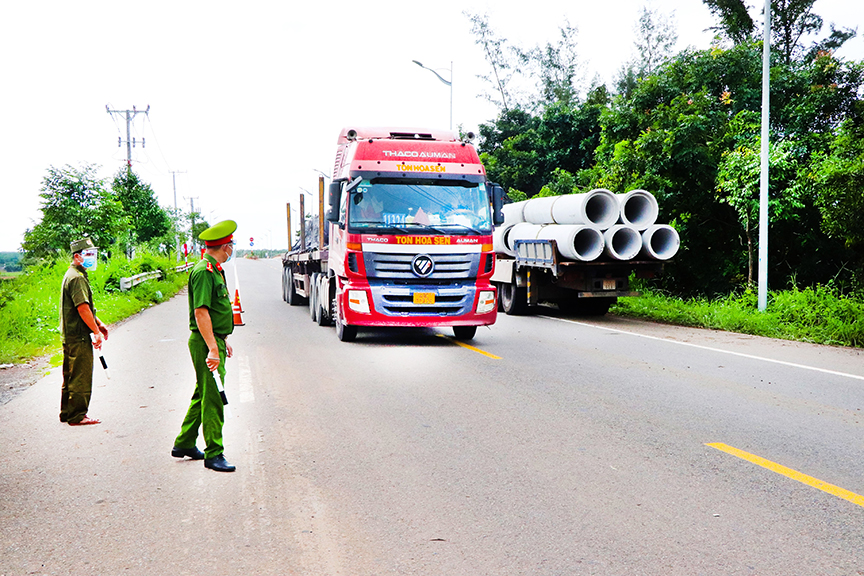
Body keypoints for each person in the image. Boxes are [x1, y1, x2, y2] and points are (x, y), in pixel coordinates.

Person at [172, 220, 238, 472]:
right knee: (213, 398)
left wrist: (222, 340)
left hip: (212, 340)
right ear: (225, 246)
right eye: (231, 245)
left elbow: (215, 311)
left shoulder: (215, 269)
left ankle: (185, 443)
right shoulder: (204, 272)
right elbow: (201, 313)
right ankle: (214, 453)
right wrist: (212, 347)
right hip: (203, 343)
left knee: (204, 392)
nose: (232, 249)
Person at [59, 237, 109, 426]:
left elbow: (84, 307)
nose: (93, 258)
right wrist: (95, 332)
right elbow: (82, 308)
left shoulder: (72, 274)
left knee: (70, 374)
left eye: (93, 254)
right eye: (89, 254)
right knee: (80, 375)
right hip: (78, 335)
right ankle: (78, 415)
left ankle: (67, 412)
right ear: (77, 256)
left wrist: (99, 323)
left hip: (70, 333)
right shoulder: (77, 278)